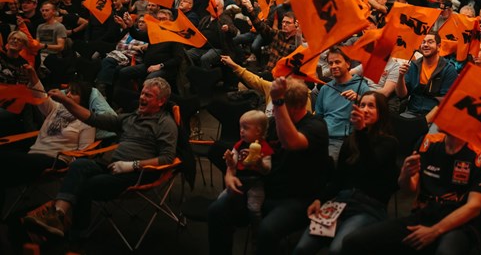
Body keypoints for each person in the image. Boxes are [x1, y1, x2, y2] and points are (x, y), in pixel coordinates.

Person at [23, 77, 178, 237]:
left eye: (148, 95)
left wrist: (133, 165)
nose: (142, 97)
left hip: (138, 174)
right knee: (79, 165)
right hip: (114, 167)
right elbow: (93, 118)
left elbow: (167, 158)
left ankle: (77, 235)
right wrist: (66, 101)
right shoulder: (130, 118)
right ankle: (58, 214)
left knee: (87, 184)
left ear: (161, 101)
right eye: (142, 93)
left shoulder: (165, 124)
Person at [208, 76, 329, 255]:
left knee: (267, 231)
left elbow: (291, 142)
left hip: (297, 197)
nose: (275, 110)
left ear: (295, 107)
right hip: (263, 188)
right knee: (216, 211)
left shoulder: (316, 126)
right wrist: (230, 174)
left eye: (280, 106)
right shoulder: (272, 123)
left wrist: (278, 101)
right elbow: (240, 148)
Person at [342, 131, 481, 255]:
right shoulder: (427, 142)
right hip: (423, 215)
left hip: (457, 225)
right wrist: (405, 174)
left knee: (445, 252)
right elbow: (410, 189)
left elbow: (474, 206)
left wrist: (434, 231)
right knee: (354, 242)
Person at [294, 91, 399, 255]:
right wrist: (320, 199)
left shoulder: (389, 143)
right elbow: (338, 179)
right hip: (341, 202)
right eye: (362, 105)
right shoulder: (351, 141)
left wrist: (361, 131)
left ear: (381, 112)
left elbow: (371, 166)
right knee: (302, 248)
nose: (365, 109)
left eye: (371, 106)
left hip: (369, 207)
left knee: (337, 250)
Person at [0, 72, 95, 208]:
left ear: (83, 99)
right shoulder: (56, 108)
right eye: (67, 91)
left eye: (74, 93)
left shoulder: (87, 122)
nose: (68, 95)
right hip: (34, 155)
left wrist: (68, 170)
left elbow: (84, 153)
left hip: (55, 161)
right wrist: (33, 75)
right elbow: (41, 95)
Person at [315, 47, 371, 161]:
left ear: (348, 64)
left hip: (343, 141)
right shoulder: (326, 88)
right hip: (322, 137)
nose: (333, 66)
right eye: (330, 63)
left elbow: (369, 118)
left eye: (337, 62)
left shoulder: (361, 87)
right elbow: (318, 117)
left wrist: (359, 99)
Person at [221, 110, 274, 231]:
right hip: (239, 180)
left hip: (255, 182)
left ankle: (257, 231)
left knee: (254, 208)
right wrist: (229, 159)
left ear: (258, 131)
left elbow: (267, 170)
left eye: (245, 128)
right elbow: (233, 165)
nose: (241, 131)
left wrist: (260, 164)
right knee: (222, 200)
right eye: (240, 127)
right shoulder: (239, 145)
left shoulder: (264, 149)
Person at [395, 33, 458, 124]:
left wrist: (425, 122)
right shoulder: (413, 65)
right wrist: (401, 76)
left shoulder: (448, 69)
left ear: (438, 47)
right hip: (412, 113)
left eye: (430, 42)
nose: (425, 45)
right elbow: (401, 95)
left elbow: (445, 101)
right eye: (423, 42)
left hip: (435, 117)